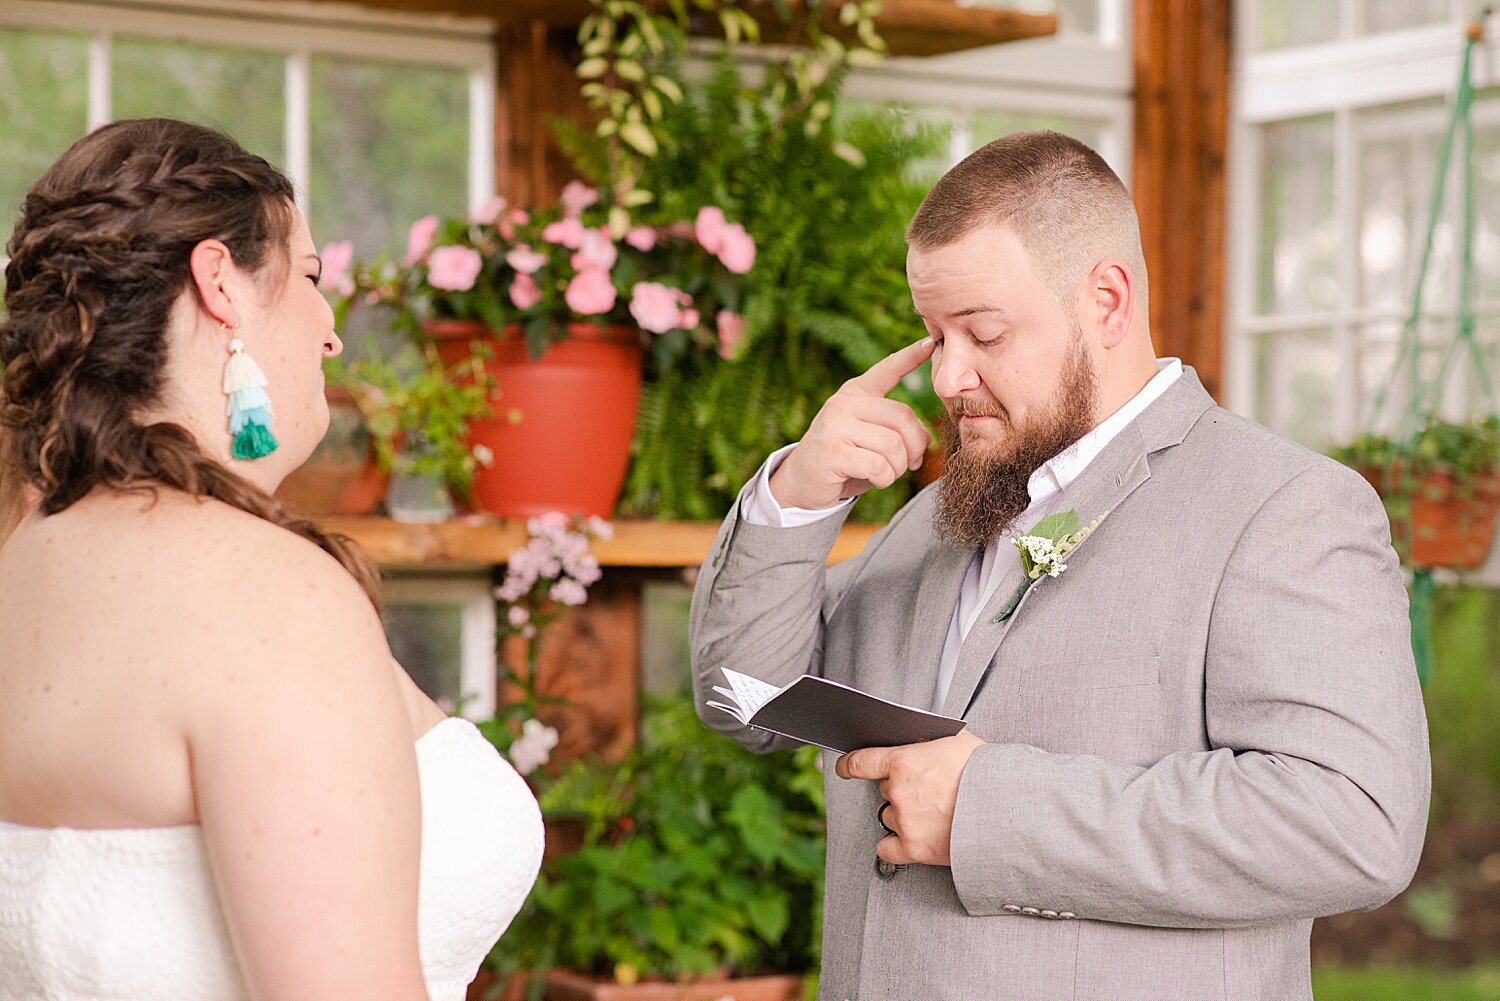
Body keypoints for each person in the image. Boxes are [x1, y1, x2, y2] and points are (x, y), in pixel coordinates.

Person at [689, 130, 1430, 1001]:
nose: (949, 376)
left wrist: (987, 809)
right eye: (933, 336)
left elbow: (1355, 823)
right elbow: (745, 701)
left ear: (1107, 302)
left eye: (984, 333)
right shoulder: (935, 515)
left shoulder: (1287, 508)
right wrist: (801, 494)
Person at [0, 118, 542, 1001]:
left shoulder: (28, 555)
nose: (331, 335)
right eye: (314, 277)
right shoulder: (264, 594)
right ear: (222, 282)